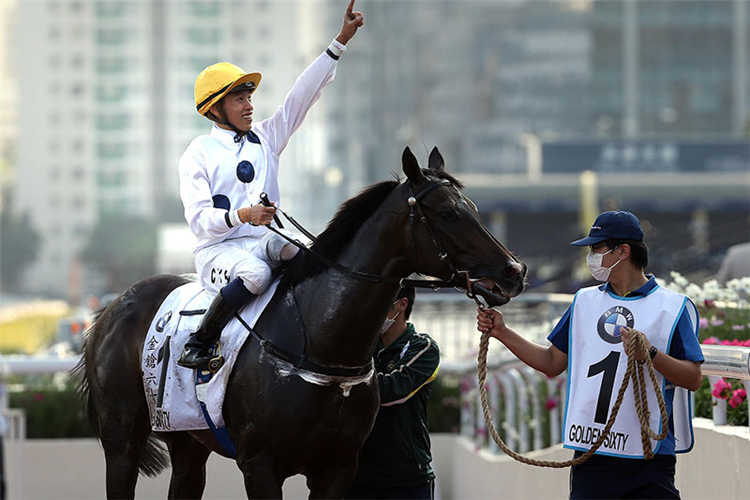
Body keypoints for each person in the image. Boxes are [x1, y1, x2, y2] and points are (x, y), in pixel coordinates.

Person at [177, 0, 365, 369]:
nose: (249, 106)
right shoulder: (198, 153)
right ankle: (200, 342)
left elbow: (302, 95)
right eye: (239, 99)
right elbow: (200, 222)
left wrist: (339, 42)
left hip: (261, 241)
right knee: (257, 274)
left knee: (311, 254)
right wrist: (243, 215)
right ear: (215, 110)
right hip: (218, 252)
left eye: (249, 97)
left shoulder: (266, 136)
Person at [477, 210, 704, 500]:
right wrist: (503, 333)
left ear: (623, 251)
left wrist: (651, 354)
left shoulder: (672, 307)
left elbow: (694, 378)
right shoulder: (584, 301)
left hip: (649, 458)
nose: (591, 257)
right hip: (592, 454)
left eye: (597, 248)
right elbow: (551, 363)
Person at [345, 286, 440, 500]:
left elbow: (391, 391)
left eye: (376, 301)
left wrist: (344, 379)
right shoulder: (359, 347)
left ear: (401, 305)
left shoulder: (423, 347)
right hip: (356, 477)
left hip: (407, 479)